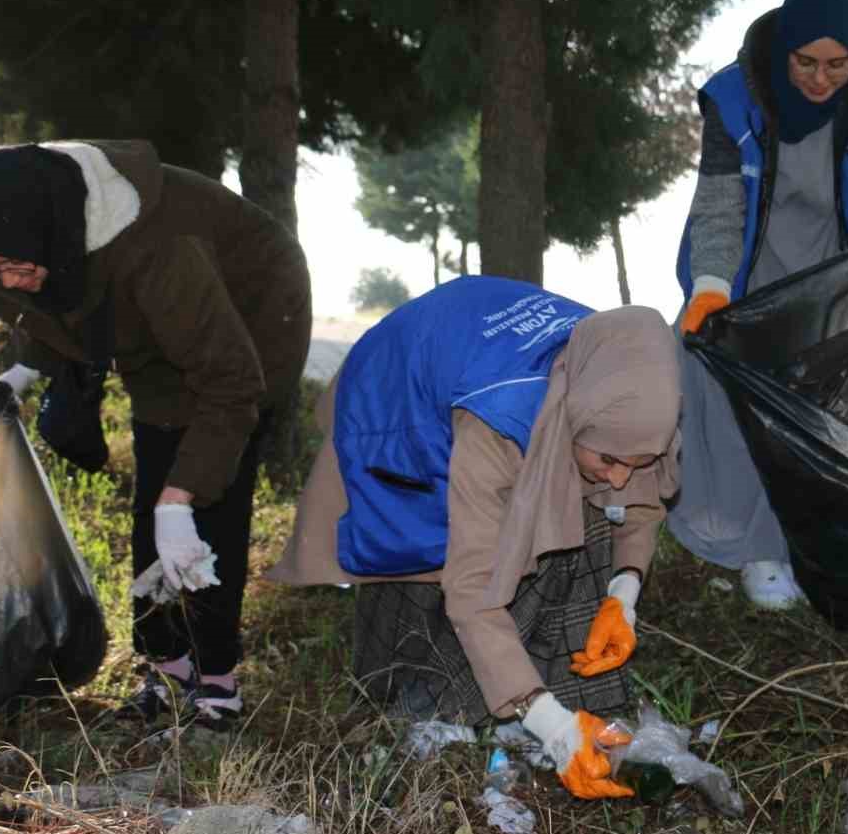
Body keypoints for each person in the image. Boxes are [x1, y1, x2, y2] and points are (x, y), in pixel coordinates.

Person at [268, 277, 681, 801]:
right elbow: (471, 591)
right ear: (570, 422)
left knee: (590, 513)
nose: (622, 477)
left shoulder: (626, 379)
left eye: (637, 462)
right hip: (400, 400)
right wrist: (551, 726)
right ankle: (434, 706)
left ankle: (535, 692)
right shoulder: (497, 425)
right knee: (426, 554)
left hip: (485, 362)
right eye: (610, 459)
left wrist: (623, 597)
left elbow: (639, 502)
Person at [0, 140, 311, 730]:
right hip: (156, 323)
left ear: (57, 238)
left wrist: (182, 497)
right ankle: (166, 670)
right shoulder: (47, 231)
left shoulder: (160, 249)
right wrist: (23, 371)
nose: (7, 282)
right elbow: (67, 303)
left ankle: (217, 683)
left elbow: (231, 381)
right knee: (154, 486)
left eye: (17, 267)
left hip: (251, 317)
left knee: (204, 509)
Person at [669, 0, 848, 609]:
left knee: (826, 407)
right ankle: (754, 551)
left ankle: (817, 545)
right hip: (746, 272)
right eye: (807, 62)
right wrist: (710, 287)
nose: (822, 79)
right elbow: (720, 209)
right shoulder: (735, 95)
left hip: (831, 266)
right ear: (785, 46)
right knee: (739, 402)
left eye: (836, 63)